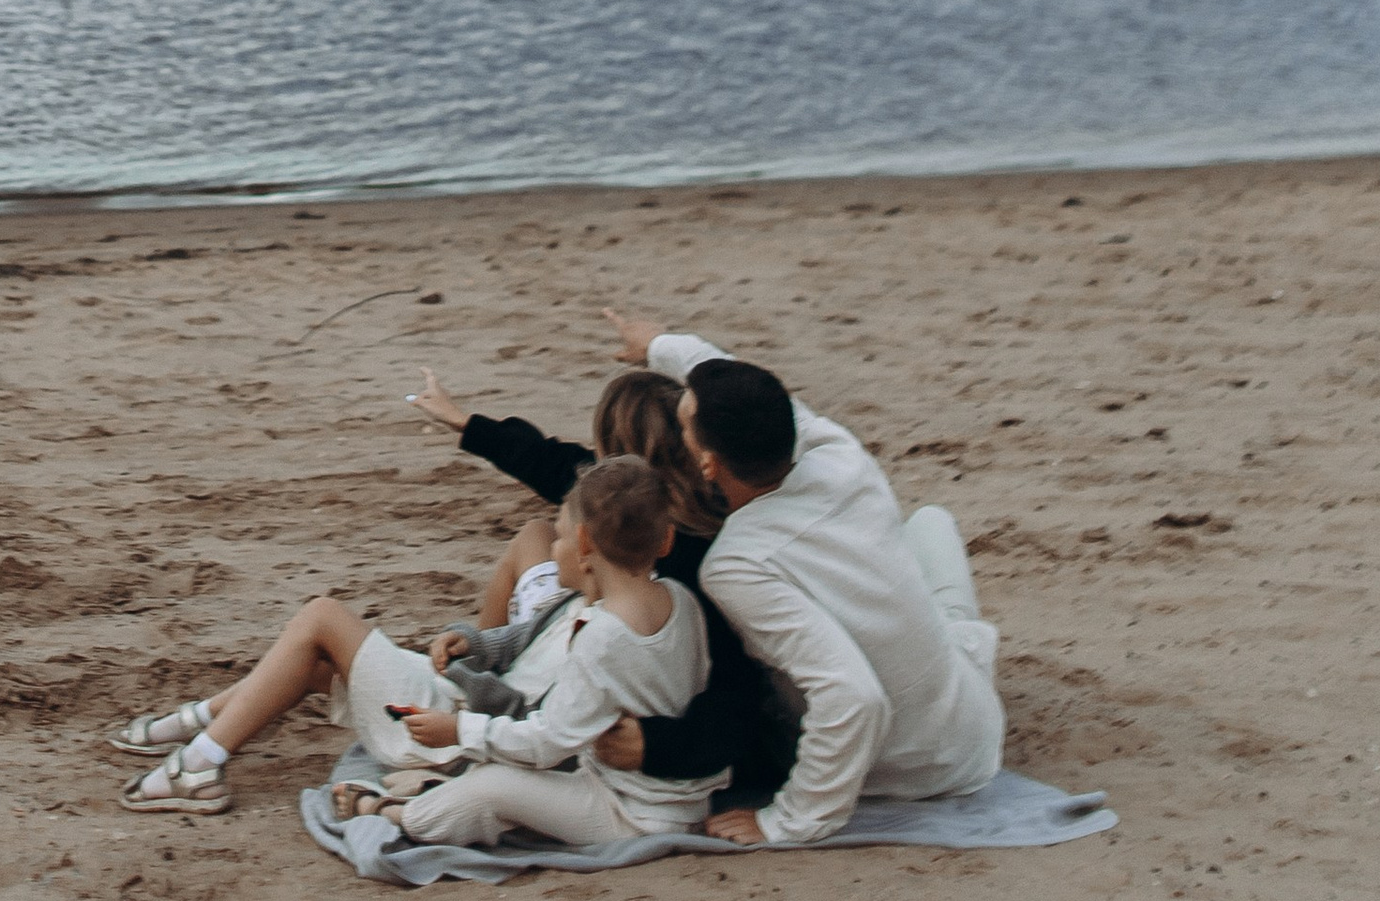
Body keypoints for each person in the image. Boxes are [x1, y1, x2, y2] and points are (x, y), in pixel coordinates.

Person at [620, 318, 1004, 848]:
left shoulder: (736, 563)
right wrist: (657, 345)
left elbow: (854, 698)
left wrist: (786, 821)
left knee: (914, 574)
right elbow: (734, 378)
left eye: (685, 423)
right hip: (967, 728)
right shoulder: (839, 454)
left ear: (707, 461)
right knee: (931, 523)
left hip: (899, 773)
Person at [414, 362, 796, 812]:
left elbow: (735, 691)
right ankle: (486, 674)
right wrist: (467, 424)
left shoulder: (700, 566)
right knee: (538, 535)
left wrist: (655, 745)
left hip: (648, 729)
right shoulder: (651, 509)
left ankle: (482, 702)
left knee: (538, 543)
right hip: (610, 661)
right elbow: (554, 463)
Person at [352, 456, 726, 853]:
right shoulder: (682, 601)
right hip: (686, 802)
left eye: (559, 537)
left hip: (629, 813)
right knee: (506, 774)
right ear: (666, 540)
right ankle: (432, 793)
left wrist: (460, 730)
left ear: (584, 543)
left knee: (489, 786)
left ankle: (394, 813)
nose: (554, 546)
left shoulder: (601, 636)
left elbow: (547, 741)